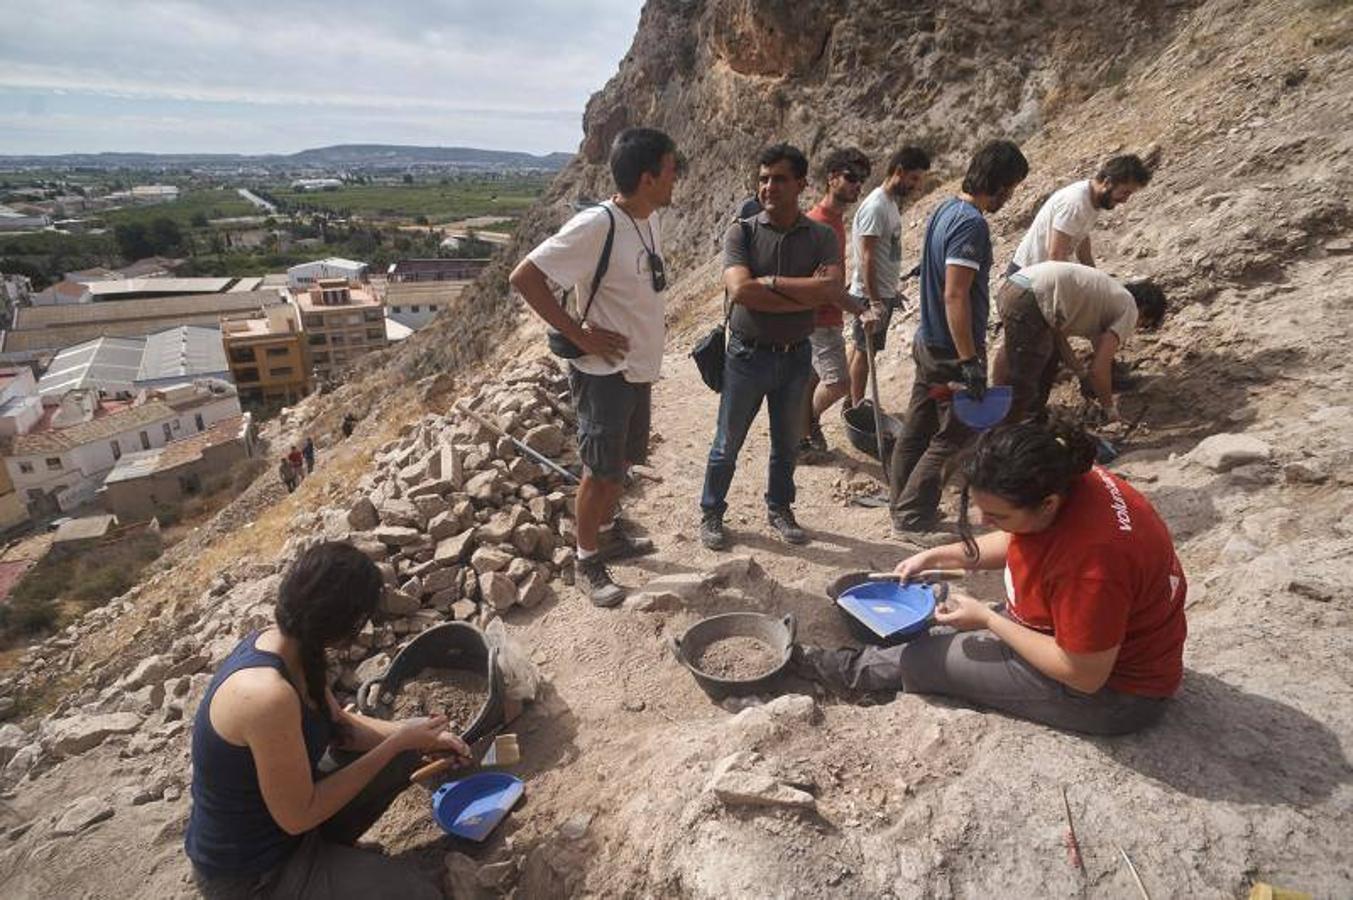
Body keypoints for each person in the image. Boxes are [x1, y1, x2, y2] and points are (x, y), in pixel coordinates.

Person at [795, 419, 1187, 736]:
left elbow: (1083, 675)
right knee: (944, 623)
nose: (984, 522)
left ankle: (834, 670)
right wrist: (940, 555)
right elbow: (1022, 537)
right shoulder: (1066, 477)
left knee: (926, 659)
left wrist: (988, 620)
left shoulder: (1092, 565)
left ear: (1047, 504)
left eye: (997, 515)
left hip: (1111, 694)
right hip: (1066, 633)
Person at [185, 541, 473, 898]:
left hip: (290, 830)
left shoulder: (297, 647)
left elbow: (342, 728)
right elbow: (299, 816)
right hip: (257, 875)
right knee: (420, 893)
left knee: (405, 752)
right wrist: (395, 743)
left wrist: (419, 737)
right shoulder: (266, 696)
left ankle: (338, 862)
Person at [510, 127, 681, 607]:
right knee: (599, 471)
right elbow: (525, 276)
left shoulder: (647, 218)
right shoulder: (596, 226)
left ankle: (606, 532)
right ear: (648, 178)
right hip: (603, 374)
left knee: (621, 462)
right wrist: (579, 333)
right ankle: (585, 560)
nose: (676, 179)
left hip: (636, 368)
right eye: (670, 171)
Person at [698, 143, 845, 551]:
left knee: (786, 444)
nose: (768, 187)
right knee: (726, 444)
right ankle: (711, 511)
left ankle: (780, 508)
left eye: (779, 179)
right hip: (746, 356)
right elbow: (742, 291)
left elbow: (831, 289)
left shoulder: (820, 236)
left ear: (800, 184)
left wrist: (773, 284)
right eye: (763, 179)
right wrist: (804, 293)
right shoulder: (741, 232)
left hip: (797, 356)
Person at [889, 140, 1028, 543]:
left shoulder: (945, 209)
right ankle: (912, 518)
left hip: (929, 340)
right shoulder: (970, 224)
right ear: (999, 183)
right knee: (954, 436)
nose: (1010, 196)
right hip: (951, 351)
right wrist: (968, 360)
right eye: (1011, 187)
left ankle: (902, 505)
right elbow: (955, 294)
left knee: (917, 429)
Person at [992, 261, 1167, 423]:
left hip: (1015, 286)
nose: (1136, 327)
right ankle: (1011, 429)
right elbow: (1099, 369)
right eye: (1144, 324)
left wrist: (1081, 374)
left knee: (1043, 357)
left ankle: (1021, 414)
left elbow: (1058, 338)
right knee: (1025, 377)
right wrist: (1109, 409)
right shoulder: (1130, 309)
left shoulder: (1104, 299)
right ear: (1144, 310)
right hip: (1032, 297)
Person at [798, 147, 872, 460]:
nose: (857, 185)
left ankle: (801, 434)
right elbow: (809, 277)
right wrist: (858, 308)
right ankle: (802, 426)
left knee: (811, 379)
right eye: (851, 177)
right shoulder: (817, 222)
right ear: (831, 179)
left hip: (828, 315)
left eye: (861, 179)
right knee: (839, 383)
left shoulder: (836, 221)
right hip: (818, 317)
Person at [846, 146, 932, 408]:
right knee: (865, 352)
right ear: (899, 172)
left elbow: (884, 253)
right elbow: (867, 257)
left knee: (862, 349)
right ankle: (857, 407)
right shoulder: (876, 206)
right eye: (914, 178)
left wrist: (891, 291)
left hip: (881, 292)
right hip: (869, 295)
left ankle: (851, 402)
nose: (916, 186)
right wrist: (874, 301)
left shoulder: (891, 204)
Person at [1008, 154, 1152, 274]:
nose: (1125, 200)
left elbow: (1080, 237)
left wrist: (1095, 277)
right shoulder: (1075, 203)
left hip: (1043, 274)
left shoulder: (1092, 200)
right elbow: (1056, 255)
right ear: (1107, 182)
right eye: (1125, 192)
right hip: (1027, 277)